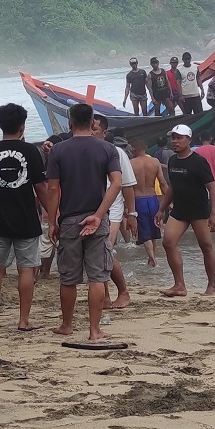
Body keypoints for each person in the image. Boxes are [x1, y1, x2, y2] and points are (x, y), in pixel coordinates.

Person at [44, 103, 122, 342]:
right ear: (92, 123)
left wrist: (52, 220)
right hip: (96, 220)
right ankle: (94, 330)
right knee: (97, 277)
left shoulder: (58, 151)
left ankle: (67, 325)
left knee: (68, 277)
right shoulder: (108, 149)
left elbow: (53, 189)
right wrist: (99, 215)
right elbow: (116, 184)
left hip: (69, 219)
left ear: (69, 123)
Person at [0, 103, 50, 332]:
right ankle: (23, 320)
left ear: (0, 125)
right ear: (22, 126)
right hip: (26, 218)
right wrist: (53, 214)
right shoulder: (31, 152)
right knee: (26, 269)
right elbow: (41, 187)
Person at [156, 125, 215, 297]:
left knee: (206, 246)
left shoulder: (198, 161)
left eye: (179, 138)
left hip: (199, 210)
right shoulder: (173, 161)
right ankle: (179, 285)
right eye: (173, 138)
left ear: (189, 140)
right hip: (180, 210)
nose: (175, 141)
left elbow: (212, 188)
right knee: (168, 242)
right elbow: (172, 187)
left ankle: (211, 287)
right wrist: (161, 209)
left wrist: (214, 214)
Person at [92, 115, 135, 310]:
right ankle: (106, 296)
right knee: (96, 256)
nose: (92, 132)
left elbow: (127, 186)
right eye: (89, 128)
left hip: (113, 210)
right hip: (90, 208)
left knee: (105, 251)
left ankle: (123, 291)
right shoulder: (84, 151)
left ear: (104, 132)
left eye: (96, 129)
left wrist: (132, 214)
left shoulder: (116, 152)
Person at [128, 138, 165, 267]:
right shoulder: (155, 162)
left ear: (134, 149)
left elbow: (127, 186)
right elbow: (163, 183)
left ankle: (153, 259)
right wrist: (167, 201)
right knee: (153, 230)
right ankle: (151, 260)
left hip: (138, 200)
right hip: (153, 199)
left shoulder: (131, 163)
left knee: (144, 232)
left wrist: (127, 208)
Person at [193, 131, 215, 216]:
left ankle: (205, 228)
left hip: (202, 184)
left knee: (203, 208)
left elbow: (195, 170)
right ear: (211, 138)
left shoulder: (197, 152)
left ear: (200, 139)